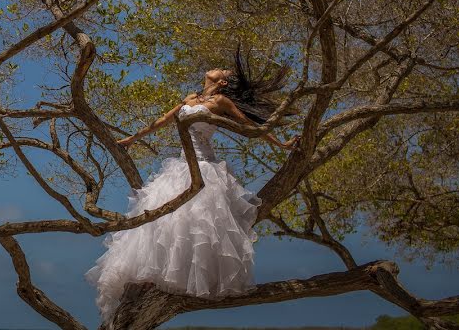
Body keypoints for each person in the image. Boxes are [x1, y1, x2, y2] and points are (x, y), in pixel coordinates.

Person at [85, 48, 299, 325]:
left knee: (195, 226)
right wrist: (132, 139)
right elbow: (163, 120)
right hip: (180, 167)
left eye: (223, 70)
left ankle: (183, 280)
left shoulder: (220, 101)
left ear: (221, 82)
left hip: (204, 168)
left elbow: (249, 127)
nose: (218, 67)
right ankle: (152, 282)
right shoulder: (189, 98)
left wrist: (280, 143)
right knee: (163, 224)